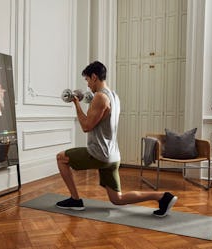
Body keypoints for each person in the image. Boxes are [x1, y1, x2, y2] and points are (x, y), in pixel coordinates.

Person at [55, 61, 177, 217]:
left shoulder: (99, 97)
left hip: (99, 154)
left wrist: (76, 103)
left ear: (94, 77)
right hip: (113, 156)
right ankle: (162, 197)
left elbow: (86, 126)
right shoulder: (114, 96)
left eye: (87, 80)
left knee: (61, 158)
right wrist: (87, 102)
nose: (87, 85)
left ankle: (75, 200)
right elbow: (101, 118)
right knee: (117, 199)